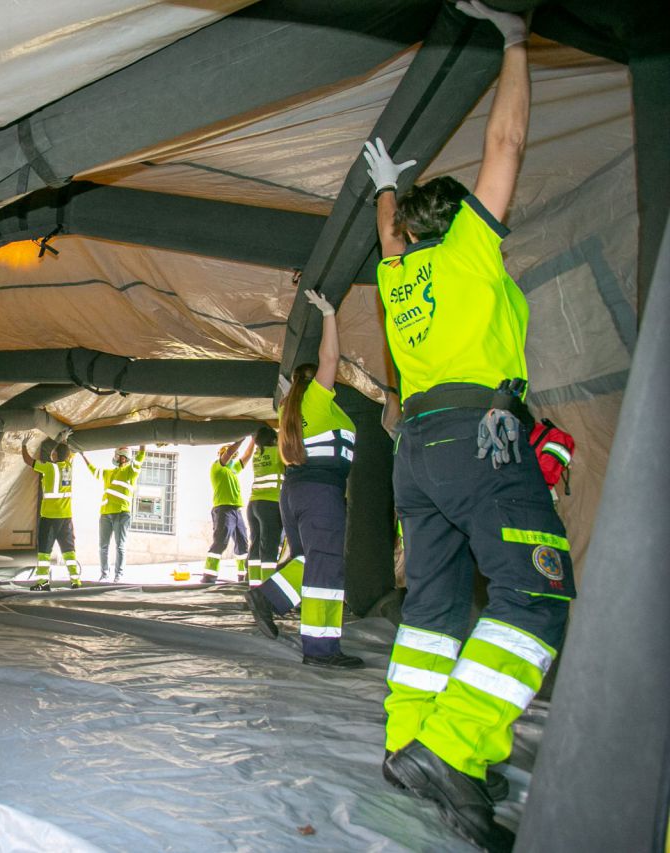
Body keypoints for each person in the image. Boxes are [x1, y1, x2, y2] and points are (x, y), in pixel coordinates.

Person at [365, 5, 571, 850]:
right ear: (464, 222)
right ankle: (454, 747)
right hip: (481, 443)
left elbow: (386, 238)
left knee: (436, 606)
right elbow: (507, 148)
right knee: (536, 592)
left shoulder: (399, 280)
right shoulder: (466, 257)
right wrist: (516, 44)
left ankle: (409, 743)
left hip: (416, 452)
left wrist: (384, 186)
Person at [248, 290, 362, 671]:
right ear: (316, 383)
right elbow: (330, 357)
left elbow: (289, 390)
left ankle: (269, 598)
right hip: (321, 493)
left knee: (306, 559)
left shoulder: (289, 410)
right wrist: (329, 314)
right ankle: (321, 649)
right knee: (325, 567)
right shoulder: (315, 400)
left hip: (295, 492)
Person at [21, 438, 86, 590]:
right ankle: (76, 581)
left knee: (44, 550)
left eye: (53, 452)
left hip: (50, 517)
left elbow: (27, 460)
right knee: (69, 550)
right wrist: (65, 440)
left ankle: (43, 582)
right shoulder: (69, 467)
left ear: (55, 454)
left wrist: (23, 445)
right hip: (66, 517)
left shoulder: (49, 468)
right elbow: (70, 454)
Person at [89, 445, 145, 581]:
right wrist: (83, 455)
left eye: (116, 454)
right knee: (103, 547)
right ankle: (104, 574)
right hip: (105, 514)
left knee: (120, 546)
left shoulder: (131, 471)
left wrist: (144, 440)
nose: (114, 457)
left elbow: (141, 455)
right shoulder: (109, 472)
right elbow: (94, 470)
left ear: (123, 457)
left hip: (121, 514)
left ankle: (118, 575)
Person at [203, 438, 251, 584]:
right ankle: (209, 575)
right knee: (220, 542)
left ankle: (242, 576)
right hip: (223, 509)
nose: (232, 457)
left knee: (242, 543)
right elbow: (230, 451)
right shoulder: (217, 468)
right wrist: (241, 439)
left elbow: (247, 456)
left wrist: (254, 439)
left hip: (236, 510)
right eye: (230, 455)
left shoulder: (233, 470)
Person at [245, 426, 285, 588]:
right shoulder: (277, 453)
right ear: (274, 440)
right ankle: (268, 590)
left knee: (255, 546)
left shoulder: (257, 455)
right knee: (269, 547)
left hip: (253, 504)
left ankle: (254, 587)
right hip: (270, 504)